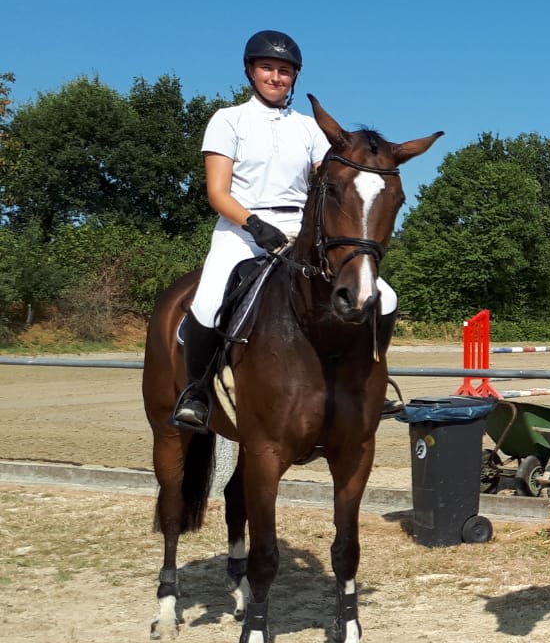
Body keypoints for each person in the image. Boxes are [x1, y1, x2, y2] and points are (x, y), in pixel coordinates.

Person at [169, 30, 399, 432]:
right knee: (207, 302)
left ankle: (367, 382)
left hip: (299, 228)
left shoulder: (308, 128)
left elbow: (330, 177)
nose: (276, 77)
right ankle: (197, 392)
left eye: (284, 71)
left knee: (386, 296)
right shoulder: (228, 120)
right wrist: (254, 225)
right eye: (267, 68)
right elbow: (217, 192)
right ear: (250, 71)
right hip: (241, 229)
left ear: (294, 76)